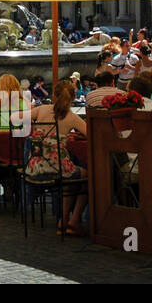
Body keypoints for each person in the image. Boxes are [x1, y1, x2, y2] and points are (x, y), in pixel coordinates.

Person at [24, 79, 88, 235]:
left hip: (34, 168)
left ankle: (64, 221)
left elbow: (15, 118)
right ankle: (71, 220)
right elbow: (91, 133)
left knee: (70, 178)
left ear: (53, 95)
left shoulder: (42, 109)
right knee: (86, 176)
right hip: (58, 169)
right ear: (72, 98)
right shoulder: (72, 117)